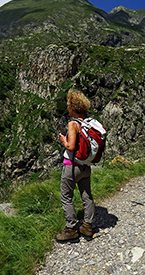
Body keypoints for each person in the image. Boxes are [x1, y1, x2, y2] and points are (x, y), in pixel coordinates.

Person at [55, 89, 95, 243]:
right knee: (87, 196)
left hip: (72, 167)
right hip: (86, 167)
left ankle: (71, 229)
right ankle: (87, 226)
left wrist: (63, 141)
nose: (67, 108)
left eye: (68, 106)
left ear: (74, 107)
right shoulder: (88, 123)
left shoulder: (73, 124)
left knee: (66, 197)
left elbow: (71, 147)